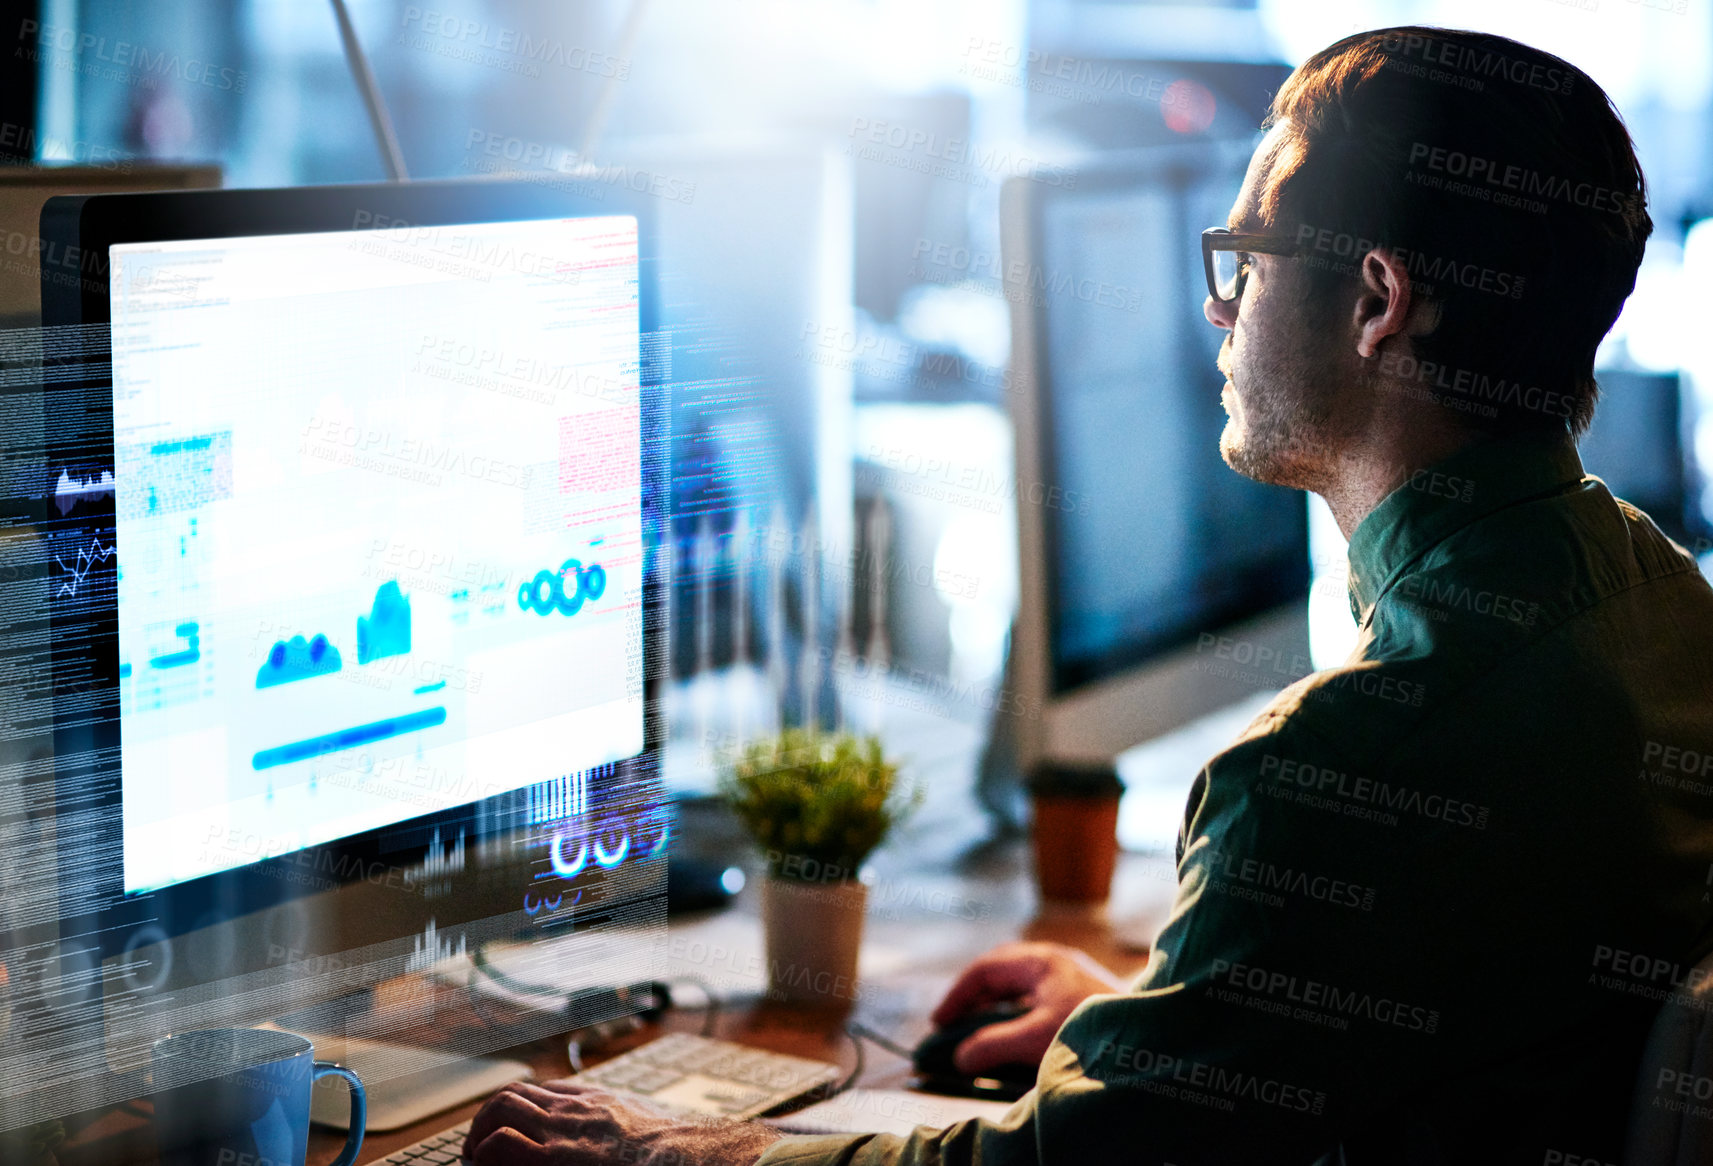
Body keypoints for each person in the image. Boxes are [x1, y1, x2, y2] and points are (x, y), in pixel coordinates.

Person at [463, 25, 1713, 1164]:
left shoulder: (1347, 770)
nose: (1219, 312)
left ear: (1377, 301)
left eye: (1248, 259)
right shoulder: (1661, 602)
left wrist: (661, 1152)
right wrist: (1182, 1025)